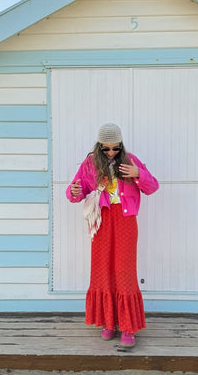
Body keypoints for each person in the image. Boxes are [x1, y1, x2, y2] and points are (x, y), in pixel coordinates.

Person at [66, 123, 159, 348]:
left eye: (115, 148)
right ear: (99, 146)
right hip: (102, 219)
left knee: (125, 270)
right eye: (105, 148)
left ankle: (128, 326)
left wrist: (138, 174)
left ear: (121, 146)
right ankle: (109, 322)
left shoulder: (131, 161)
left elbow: (152, 187)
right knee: (102, 267)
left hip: (126, 220)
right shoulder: (90, 163)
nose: (110, 152)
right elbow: (74, 192)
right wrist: (73, 191)